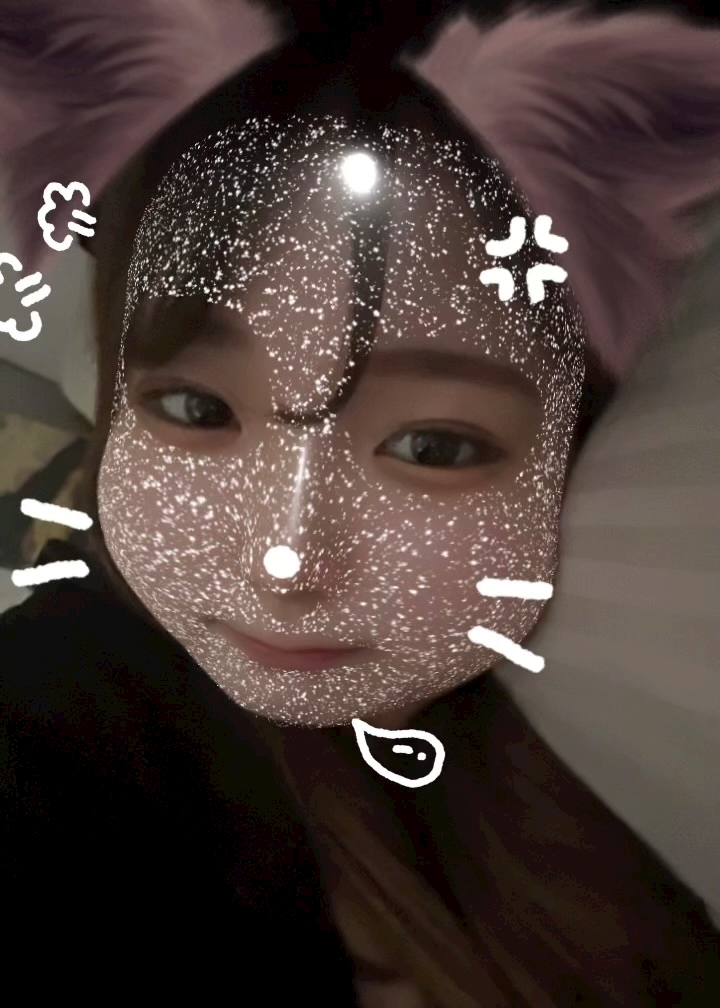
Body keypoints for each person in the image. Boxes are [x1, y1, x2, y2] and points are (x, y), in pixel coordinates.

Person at [1, 3, 718, 1005]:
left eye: (432, 447)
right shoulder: (66, 723)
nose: (285, 558)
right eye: (197, 408)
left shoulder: (597, 785)